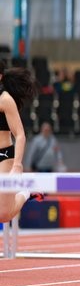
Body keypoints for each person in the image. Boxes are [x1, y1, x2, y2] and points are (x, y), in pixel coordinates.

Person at [0, 61, 43, 223]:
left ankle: (26, 191)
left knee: (3, 215)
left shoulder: (5, 99)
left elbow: (19, 135)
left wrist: (17, 165)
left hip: (3, 156)